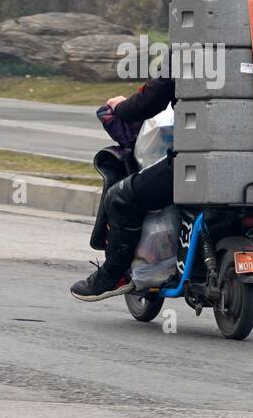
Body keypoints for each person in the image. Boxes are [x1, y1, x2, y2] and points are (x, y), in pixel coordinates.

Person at [70, 74, 176, 301]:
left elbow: (150, 101)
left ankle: (113, 275)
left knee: (120, 197)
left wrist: (120, 108)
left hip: (192, 168)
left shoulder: (192, 50)